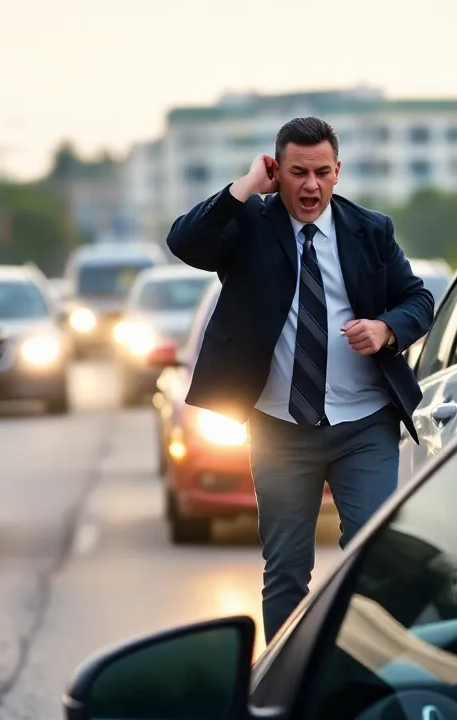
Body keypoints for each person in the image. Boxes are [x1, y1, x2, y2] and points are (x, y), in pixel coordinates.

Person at [166, 116, 435, 642]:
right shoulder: (251, 224)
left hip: (364, 425)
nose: (311, 185)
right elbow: (185, 242)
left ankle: (357, 668)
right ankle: (285, 678)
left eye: (321, 172)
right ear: (277, 172)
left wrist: (386, 329)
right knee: (287, 568)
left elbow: (418, 300)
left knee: (370, 557)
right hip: (280, 429)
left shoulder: (370, 230)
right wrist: (246, 186)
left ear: (338, 172)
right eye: (297, 173)